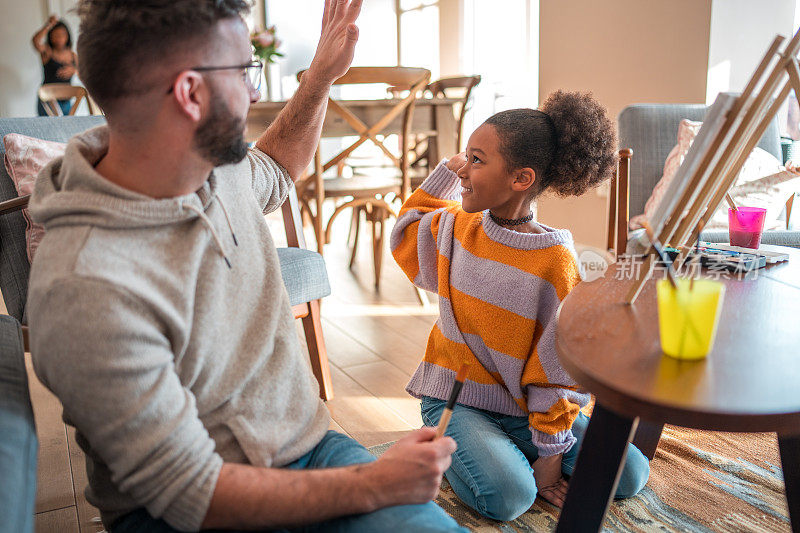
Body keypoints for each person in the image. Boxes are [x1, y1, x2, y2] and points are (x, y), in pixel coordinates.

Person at [27, 1, 465, 532]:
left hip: (309, 447)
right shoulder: (84, 286)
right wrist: (376, 483)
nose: (255, 91)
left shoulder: (208, 161)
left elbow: (277, 165)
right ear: (190, 93)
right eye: (243, 71)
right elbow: (189, 490)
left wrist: (321, 79)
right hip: (187, 509)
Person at [390, 91, 651, 521]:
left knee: (630, 473)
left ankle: (500, 447)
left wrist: (549, 453)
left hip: (525, 408)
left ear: (521, 179)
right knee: (510, 496)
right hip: (457, 399)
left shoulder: (556, 263)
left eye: (476, 160)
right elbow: (404, 236)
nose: (463, 171)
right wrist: (444, 172)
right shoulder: (457, 228)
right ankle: (461, 443)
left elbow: (556, 369)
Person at [31, 15, 78, 115]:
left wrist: (74, 70)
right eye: (56, 35)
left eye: (62, 35)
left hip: (66, 102)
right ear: (50, 37)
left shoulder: (73, 55)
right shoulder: (47, 52)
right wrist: (49, 25)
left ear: (67, 36)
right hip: (47, 100)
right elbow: (36, 41)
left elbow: (85, 74)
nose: (59, 38)